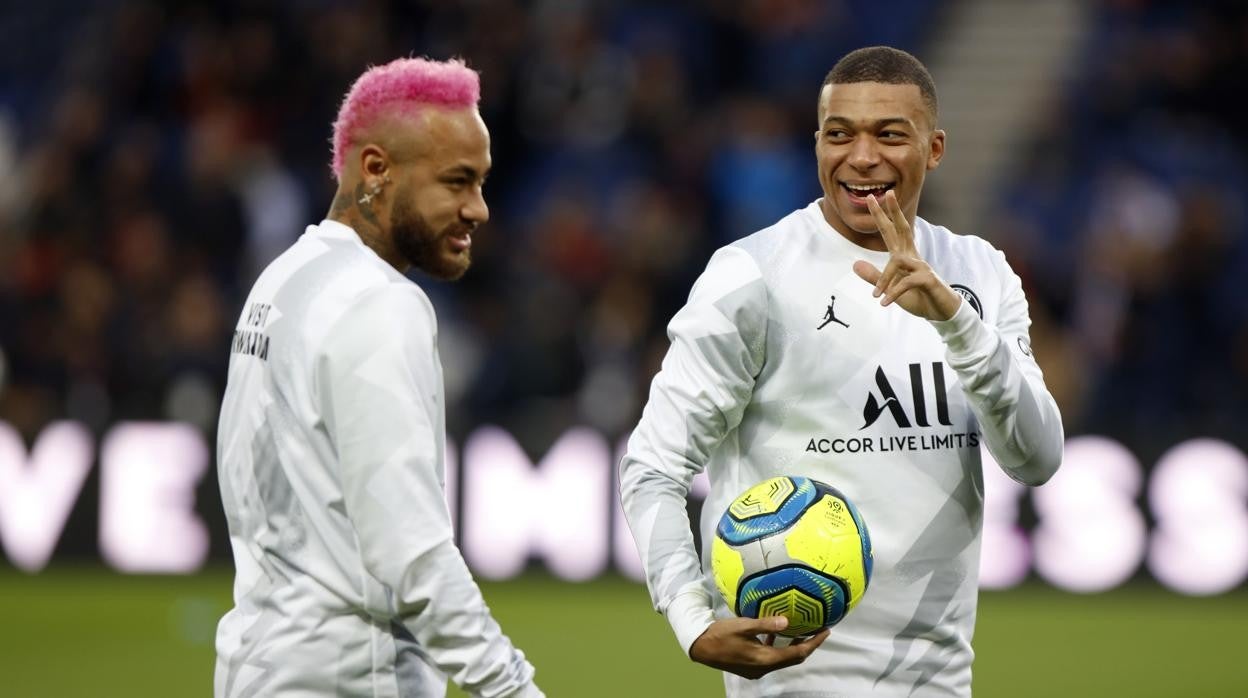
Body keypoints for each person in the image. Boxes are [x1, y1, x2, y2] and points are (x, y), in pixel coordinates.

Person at [620, 46, 1063, 697]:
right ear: (817, 146)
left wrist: (954, 320)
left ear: (934, 148)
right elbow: (653, 466)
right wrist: (689, 618)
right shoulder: (752, 277)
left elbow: (1038, 458)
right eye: (839, 135)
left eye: (889, 134)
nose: (862, 157)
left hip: (938, 682)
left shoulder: (980, 273)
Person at [214, 57, 543, 697]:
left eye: (482, 183)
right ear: (375, 170)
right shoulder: (381, 305)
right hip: (346, 678)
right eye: (456, 182)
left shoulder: (282, 280)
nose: (478, 209)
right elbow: (413, 552)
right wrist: (511, 688)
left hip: (259, 670)